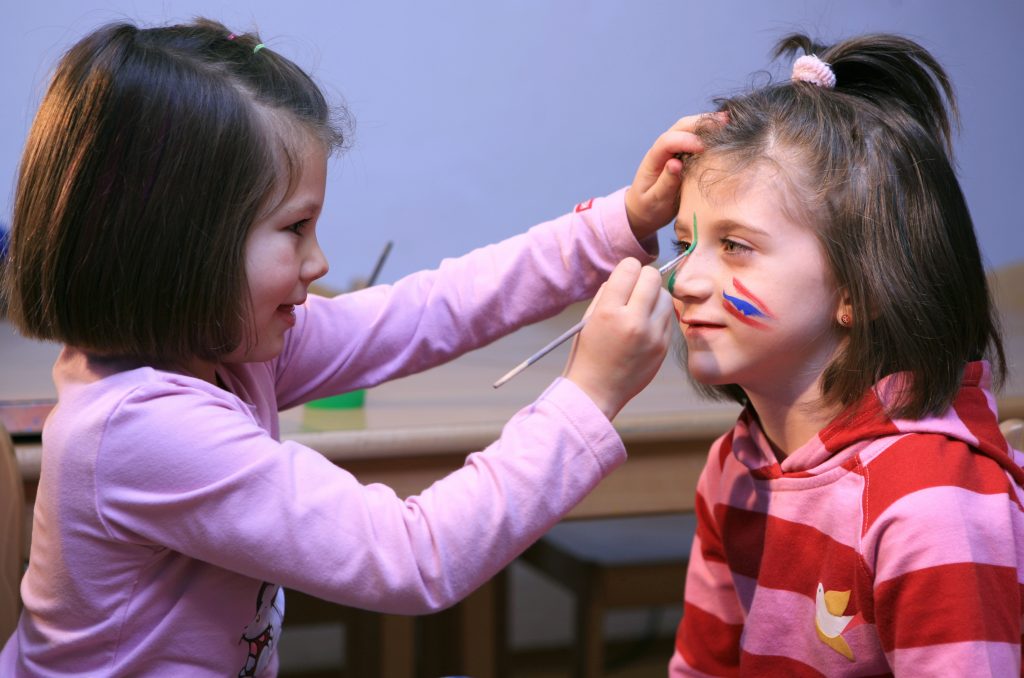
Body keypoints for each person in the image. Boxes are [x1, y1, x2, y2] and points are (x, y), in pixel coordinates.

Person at [0, 17, 709, 676]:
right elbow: (414, 557)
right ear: (176, 245)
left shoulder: (219, 349)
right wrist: (589, 396)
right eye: (294, 229)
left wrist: (619, 222)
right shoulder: (144, 428)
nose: (319, 262)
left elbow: (425, 312)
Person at [665, 33, 1023, 676]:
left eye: (735, 246)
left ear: (860, 290)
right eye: (683, 244)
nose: (684, 280)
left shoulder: (928, 501)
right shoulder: (735, 468)